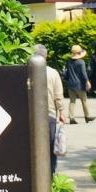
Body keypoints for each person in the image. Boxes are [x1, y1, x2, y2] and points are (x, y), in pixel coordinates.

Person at [33, 44, 66, 174]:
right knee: (50, 147)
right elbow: (58, 96)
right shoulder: (53, 73)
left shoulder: (27, 71)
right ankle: (50, 174)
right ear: (46, 57)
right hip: (50, 115)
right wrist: (62, 111)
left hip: (32, 115)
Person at [63, 44, 92, 122]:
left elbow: (67, 73)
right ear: (79, 53)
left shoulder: (69, 62)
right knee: (84, 100)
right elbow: (83, 73)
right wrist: (87, 82)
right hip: (80, 85)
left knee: (72, 101)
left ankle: (71, 118)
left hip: (70, 84)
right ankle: (87, 116)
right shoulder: (81, 62)